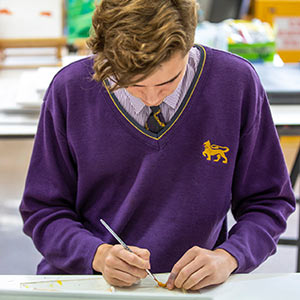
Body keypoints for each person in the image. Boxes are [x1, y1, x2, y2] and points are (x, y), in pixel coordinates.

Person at [20, 0, 295, 291]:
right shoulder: (70, 89)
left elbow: (268, 202)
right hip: (85, 283)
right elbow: (44, 211)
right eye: (133, 85)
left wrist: (229, 257)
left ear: (189, 45)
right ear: (104, 55)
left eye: (168, 83)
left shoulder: (235, 84)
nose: (151, 99)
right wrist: (97, 255)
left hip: (191, 290)